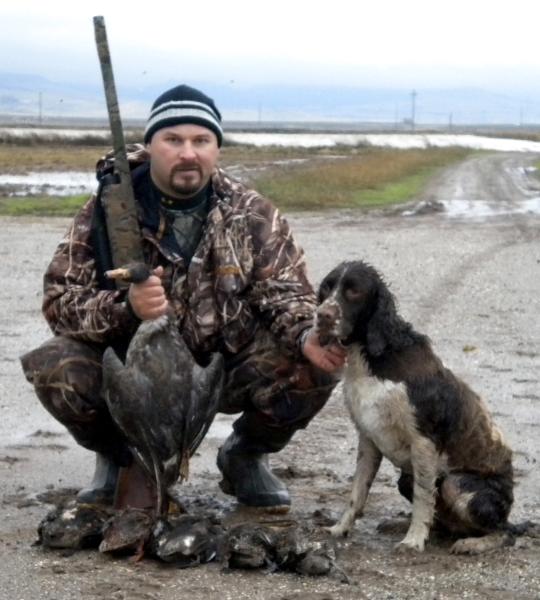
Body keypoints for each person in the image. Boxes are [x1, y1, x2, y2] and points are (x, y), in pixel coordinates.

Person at [20, 84, 346, 512]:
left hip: (221, 368)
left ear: (217, 148)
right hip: (134, 371)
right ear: (151, 145)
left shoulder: (252, 212)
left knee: (316, 361)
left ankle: (245, 456)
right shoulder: (105, 210)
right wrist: (124, 309)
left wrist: (307, 334)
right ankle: (119, 458)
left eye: (201, 141)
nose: (188, 153)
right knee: (54, 366)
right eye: (173, 140)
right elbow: (60, 301)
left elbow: (284, 293)